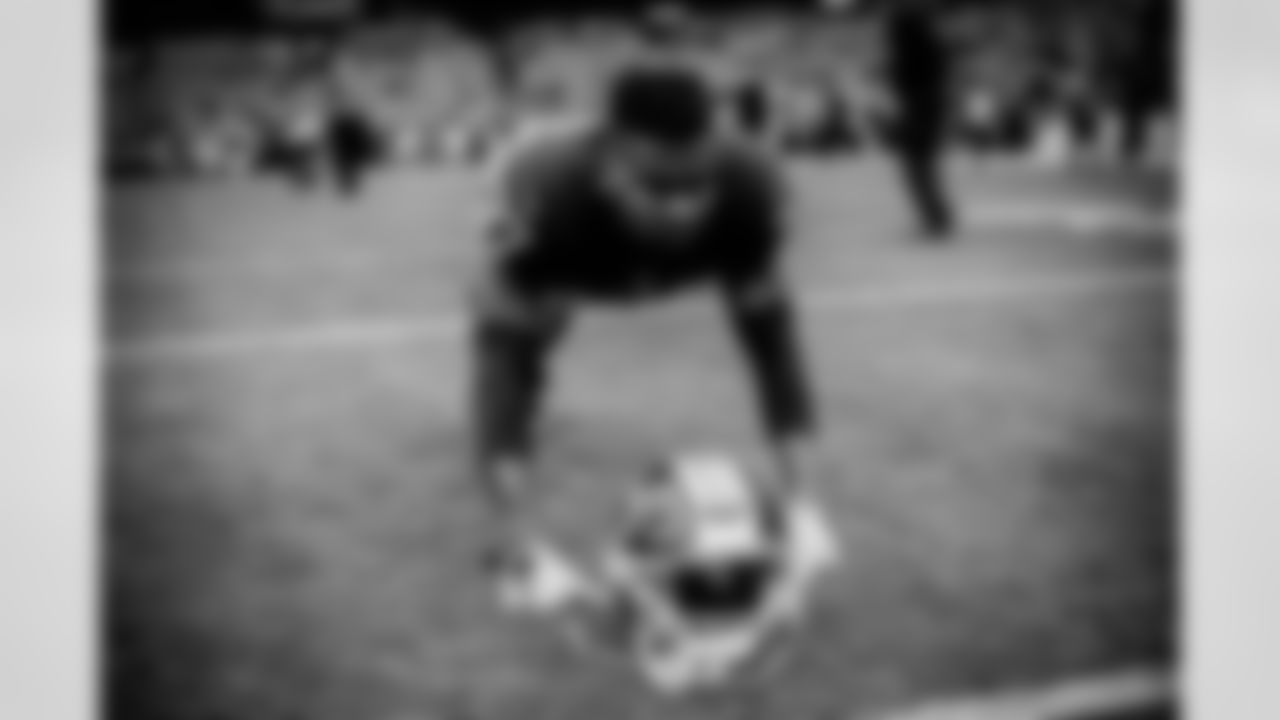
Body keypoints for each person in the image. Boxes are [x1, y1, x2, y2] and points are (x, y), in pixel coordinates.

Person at [470, 62, 841, 613]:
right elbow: (502, 365)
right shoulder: (542, 192)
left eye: (697, 186)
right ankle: (515, 526)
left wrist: (805, 504)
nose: (682, 211)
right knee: (528, 347)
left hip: (677, 253)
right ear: (608, 162)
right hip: (576, 257)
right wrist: (515, 540)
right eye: (658, 187)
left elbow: (775, 350)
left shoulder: (751, 185)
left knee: (764, 316)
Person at [884, 2, 956, 238]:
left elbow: (902, 81)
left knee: (918, 168)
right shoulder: (928, 47)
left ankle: (936, 217)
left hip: (920, 109)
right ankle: (937, 216)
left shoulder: (911, 51)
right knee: (922, 167)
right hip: (929, 108)